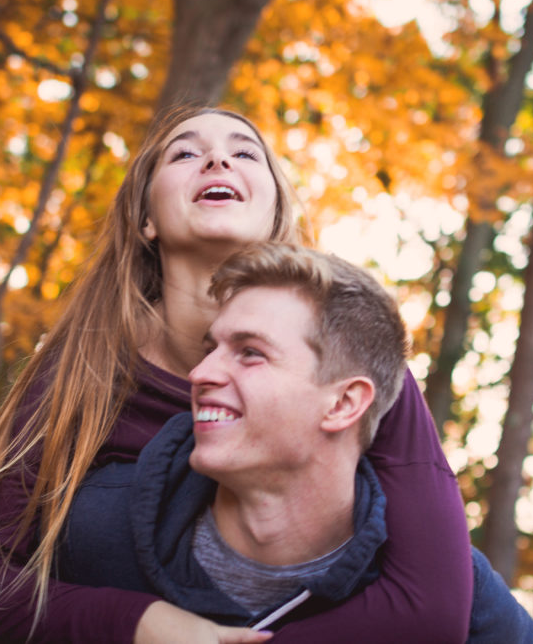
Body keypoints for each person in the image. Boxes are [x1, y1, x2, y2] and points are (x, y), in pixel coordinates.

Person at [0, 106, 474, 643]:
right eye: (184, 153)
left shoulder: (351, 354)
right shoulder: (81, 367)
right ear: (145, 219)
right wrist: (142, 624)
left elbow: (433, 606)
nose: (218, 158)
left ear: (276, 215)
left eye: (245, 153)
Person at [56, 243, 404, 631]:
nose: (200, 372)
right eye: (211, 349)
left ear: (342, 403)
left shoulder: (448, 595)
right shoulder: (89, 528)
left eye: (250, 352)